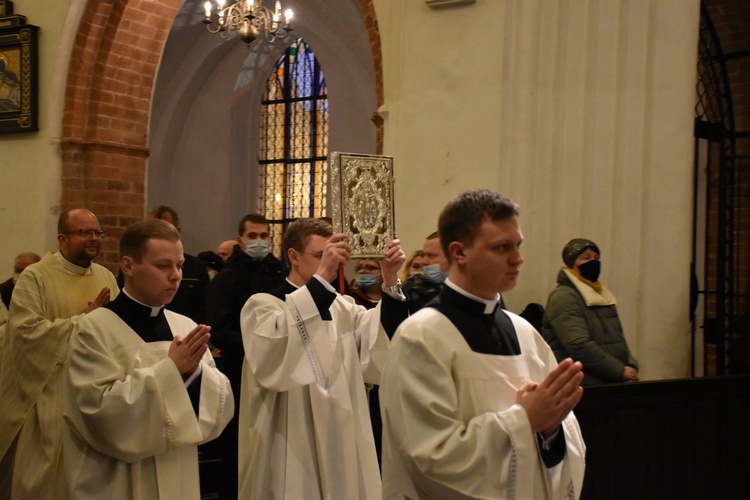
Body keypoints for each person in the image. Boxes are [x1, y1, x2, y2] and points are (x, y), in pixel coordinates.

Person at [380, 189, 586, 499]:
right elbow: (429, 457)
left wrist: (550, 428)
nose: (518, 258)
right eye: (502, 247)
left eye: (517, 245)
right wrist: (524, 420)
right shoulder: (420, 337)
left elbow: (562, 439)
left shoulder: (526, 334)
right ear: (459, 253)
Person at [238, 218, 408, 499]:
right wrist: (323, 275)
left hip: (343, 440)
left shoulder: (344, 308)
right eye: (320, 256)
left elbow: (380, 346)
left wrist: (390, 279)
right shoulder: (264, 306)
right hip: (291, 446)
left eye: (333, 257)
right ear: (293, 256)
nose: (330, 264)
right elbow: (271, 362)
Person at [63, 219, 234, 499]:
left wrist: (196, 375)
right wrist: (172, 370)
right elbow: (100, 415)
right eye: (163, 266)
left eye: (179, 265)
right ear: (128, 266)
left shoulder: (185, 326)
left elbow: (219, 405)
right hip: (116, 482)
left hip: (178, 472)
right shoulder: (93, 329)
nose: (176, 276)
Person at [0, 209, 118, 499]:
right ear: (62, 239)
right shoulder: (35, 276)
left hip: (91, 393)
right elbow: (24, 333)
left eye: (97, 232)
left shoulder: (105, 276)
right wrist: (84, 320)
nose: (93, 238)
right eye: (84, 232)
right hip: (47, 395)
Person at [205, 213, 287, 498]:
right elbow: (218, 325)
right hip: (240, 369)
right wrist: (255, 349)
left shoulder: (281, 273)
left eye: (264, 236)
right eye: (252, 236)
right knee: (239, 445)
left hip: (277, 369)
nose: (259, 241)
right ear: (240, 240)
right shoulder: (227, 279)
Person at [541, 238, 640, 385]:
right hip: (581, 383)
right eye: (585, 258)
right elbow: (579, 345)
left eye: (596, 257)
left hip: (610, 379)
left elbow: (617, 339)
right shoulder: (564, 297)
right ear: (572, 264)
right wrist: (620, 370)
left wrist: (631, 364)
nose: (593, 262)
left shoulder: (601, 294)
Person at [147, 206, 211, 324]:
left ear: (178, 231)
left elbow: (204, 310)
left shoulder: (196, 267)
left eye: (166, 231)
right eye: (154, 232)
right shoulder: (139, 265)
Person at [401, 232, 448, 313]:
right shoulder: (411, 289)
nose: (423, 262)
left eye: (431, 256)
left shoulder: (470, 290)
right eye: (424, 255)